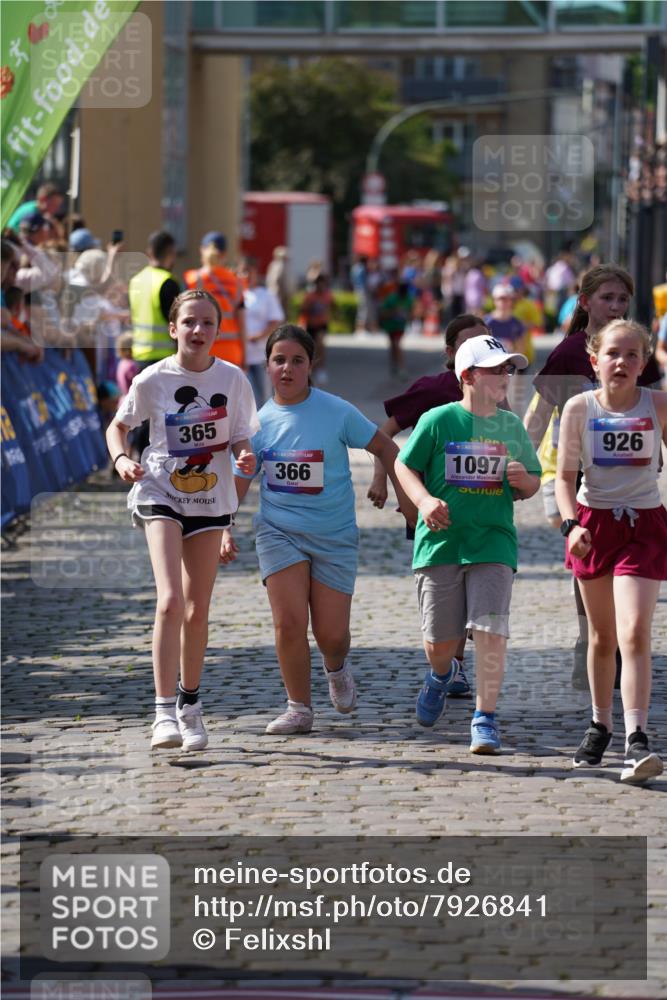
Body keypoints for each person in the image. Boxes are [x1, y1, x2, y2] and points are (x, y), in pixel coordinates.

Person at [233, 323, 415, 735]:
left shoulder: (336, 411)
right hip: (279, 532)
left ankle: (336, 667)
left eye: (297, 360)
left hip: (333, 537)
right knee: (289, 622)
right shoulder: (257, 425)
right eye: (279, 360)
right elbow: (240, 478)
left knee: (331, 634)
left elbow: (386, 446)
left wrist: (404, 497)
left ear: (311, 365)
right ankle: (298, 707)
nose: (287, 368)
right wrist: (224, 525)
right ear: (267, 365)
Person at [106, 290, 258, 751]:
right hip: (160, 492)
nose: (198, 330)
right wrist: (120, 460)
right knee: (170, 600)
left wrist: (245, 454)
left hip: (211, 501)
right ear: (173, 329)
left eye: (207, 322)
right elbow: (119, 426)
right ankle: (163, 712)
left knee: (197, 609)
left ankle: (191, 708)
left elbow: (240, 437)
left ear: (218, 329)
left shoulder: (233, 380)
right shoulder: (153, 379)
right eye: (189, 322)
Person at [394, 334, 541, 754]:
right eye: (498, 369)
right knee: (440, 644)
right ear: (469, 375)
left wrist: (523, 481)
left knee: (491, 629)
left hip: (493, 544)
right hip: (440, 544)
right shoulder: (438, 420)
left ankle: (485, 717)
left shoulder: (510, 426)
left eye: (509, 370)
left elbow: (532, 481)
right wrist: (423, 501)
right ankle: (441, 675)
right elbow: (405, 466)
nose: (506, 377)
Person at [524, 264, 662, 688]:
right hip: (580, 480)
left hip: (634, 486)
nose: (616, 306)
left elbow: (656, 407)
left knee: (630, 575)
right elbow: (540, 410)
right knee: (589, 566)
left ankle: (619, 648)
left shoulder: (638, 350)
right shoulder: (568, 353)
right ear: (585, 303)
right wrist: (520, 462)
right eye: (608, 298)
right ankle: (594, 643)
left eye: (622, 299)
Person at [555, 319, 666, 784]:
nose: (622, 362)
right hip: (593, 524)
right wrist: (570, 526)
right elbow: (563, 478)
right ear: (594, 360)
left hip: (644, 523)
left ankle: (637, 736)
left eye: (632, 355)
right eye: (613, 354)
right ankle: (600, 722)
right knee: (602, 637)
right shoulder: (579, 409)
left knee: (635, 630)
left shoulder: (659, 404)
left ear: (644, 363)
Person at [367, 313, 493, 699]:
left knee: (476, 582)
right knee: (448, 585)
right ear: (451, 353)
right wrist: (384, 481)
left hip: (480, 505)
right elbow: (384, 434)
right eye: (469, 347)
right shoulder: (433, 389)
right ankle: (448, 665)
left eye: (485, 346)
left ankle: (454, 667)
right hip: (432, 503)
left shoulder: (496, 391)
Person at [184, 232, 246, 368]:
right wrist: (245, 356)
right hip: (232, 353)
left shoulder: (192, 279)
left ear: (202, 250)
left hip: (202, 350)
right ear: (224, 254)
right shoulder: (236, 282)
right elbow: (241, 322)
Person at [128, 230, 180, 368]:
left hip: (139, 355)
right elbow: (176, 322)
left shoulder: (135, 280)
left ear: (149, 252)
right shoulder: (167, 282)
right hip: (164, 358)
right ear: (171, 253)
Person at [238, 256, 284, 407]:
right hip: (239, 356)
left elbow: (276, 320)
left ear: (255, 272)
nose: (246, 276)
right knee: (245, 398)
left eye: (249, 271)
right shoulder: (237, 295)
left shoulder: (265, 295)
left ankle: (265, 428)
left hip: (259, 355)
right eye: (242, 272)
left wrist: (260, 336)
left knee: (264, 397)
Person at [300, 273, 334, 385]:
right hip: (311, 324)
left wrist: (331, 314)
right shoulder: (310, 296)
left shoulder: (328, 295)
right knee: (311, 348)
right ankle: (311, 369)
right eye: (319, 284)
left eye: (323, 284)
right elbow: (303, 310)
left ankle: (321, 369)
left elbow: (334, 305)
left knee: (321, 344)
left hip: (322, 324)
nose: (321, 287)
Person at [379, 280, 413, 377]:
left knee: (397, 344)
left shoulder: (408, 299)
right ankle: (394, 365)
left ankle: (402, 368)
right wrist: (394, 312)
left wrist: (408, 318)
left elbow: (410, 312)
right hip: (390, 325)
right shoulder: (391, 299)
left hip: (400, 326)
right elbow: (383, 313)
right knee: (392, 345)